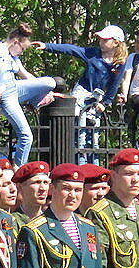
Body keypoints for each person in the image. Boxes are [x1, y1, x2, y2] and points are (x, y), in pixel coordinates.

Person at [34, 26, 130, 164]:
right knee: (78, 129)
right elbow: (72, 49)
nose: (101, 42)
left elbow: (114, 85)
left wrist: (105, 103)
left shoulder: (120, 62)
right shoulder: (93, 54)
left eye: (105, 40)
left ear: (116, 43)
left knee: (93, 132)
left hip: (98, 97)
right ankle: (78, 162)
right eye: (100, 39)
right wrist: (47, 46)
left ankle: (94, 164)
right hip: (82, 92)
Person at [0, 24, 56, 166]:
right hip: (5, 94)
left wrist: (45, 90)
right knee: (27, 136)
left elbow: (26, 76)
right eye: (22, 49)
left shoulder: (14, 58)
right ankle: (19, 169)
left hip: (16, 88)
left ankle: (34, 102)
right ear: (16, 42)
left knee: (50, 82)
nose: (22, 52)